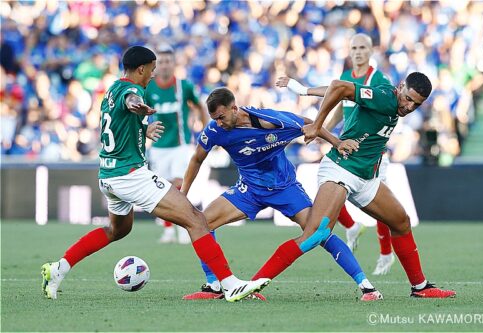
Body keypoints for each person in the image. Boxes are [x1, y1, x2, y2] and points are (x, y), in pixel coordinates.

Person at [40, 46, 270, 302]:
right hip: (131, 175)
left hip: (108, 175)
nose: (153, 74)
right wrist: (138, 107)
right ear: (141, 68)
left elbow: (116, 123)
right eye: (151, 68)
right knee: (195, 219)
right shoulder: (133, 90)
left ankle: (59, 268)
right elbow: (131, 101)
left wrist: (142, 129)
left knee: (117, 231)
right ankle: (228, 284)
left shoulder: (110, 91)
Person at [253, 72, 456, 298]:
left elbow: (341, 90)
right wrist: (317, 125)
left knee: (401, 222)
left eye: (416, 104)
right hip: (341, 169)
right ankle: (252, 285)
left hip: (366, 179)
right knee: (315, 234)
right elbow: (339, 86)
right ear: (400, 87)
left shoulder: (386, 96)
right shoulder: (384, 98)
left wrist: (304, 90)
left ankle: (420, 287)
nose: (409, 107)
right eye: (408, 98)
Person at [180, 87, 382, 302]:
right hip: (248, 189)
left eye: (221, 117)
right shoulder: (215, 131)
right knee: (201, 223)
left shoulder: (271, 121)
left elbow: (308, 123)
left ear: (234, 108)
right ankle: (214, 285)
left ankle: (366, 287)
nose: (218, 123)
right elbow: (196, 159)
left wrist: (337, 142)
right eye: (214, 119)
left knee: (318, 233)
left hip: (285, 188)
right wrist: (184, 193)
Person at [276, 33, 396, 275]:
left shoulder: (378, 79)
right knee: (330, 186)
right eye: (354, 48)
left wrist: (304, 92)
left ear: (371, 50)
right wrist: (322, 131)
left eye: (363, 47)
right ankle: (351, 227)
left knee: (381, 209)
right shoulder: (345, 76)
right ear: (349, 51)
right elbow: (340, 103)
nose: (358, 52)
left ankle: (385, 252)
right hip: (348, 147)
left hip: (371, 153)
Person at [144, 44, 208, 244]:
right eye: (160, 62)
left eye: (168, 62)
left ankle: (183, 228)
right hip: (158, 148)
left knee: (180, 187)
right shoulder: (149, 88)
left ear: (173, 64)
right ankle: (168, 230)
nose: (164, 66)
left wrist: (206, 131)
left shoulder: (184, 86)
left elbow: (200, 106)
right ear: (156, 66)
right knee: (163, 192)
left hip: (181, 146)